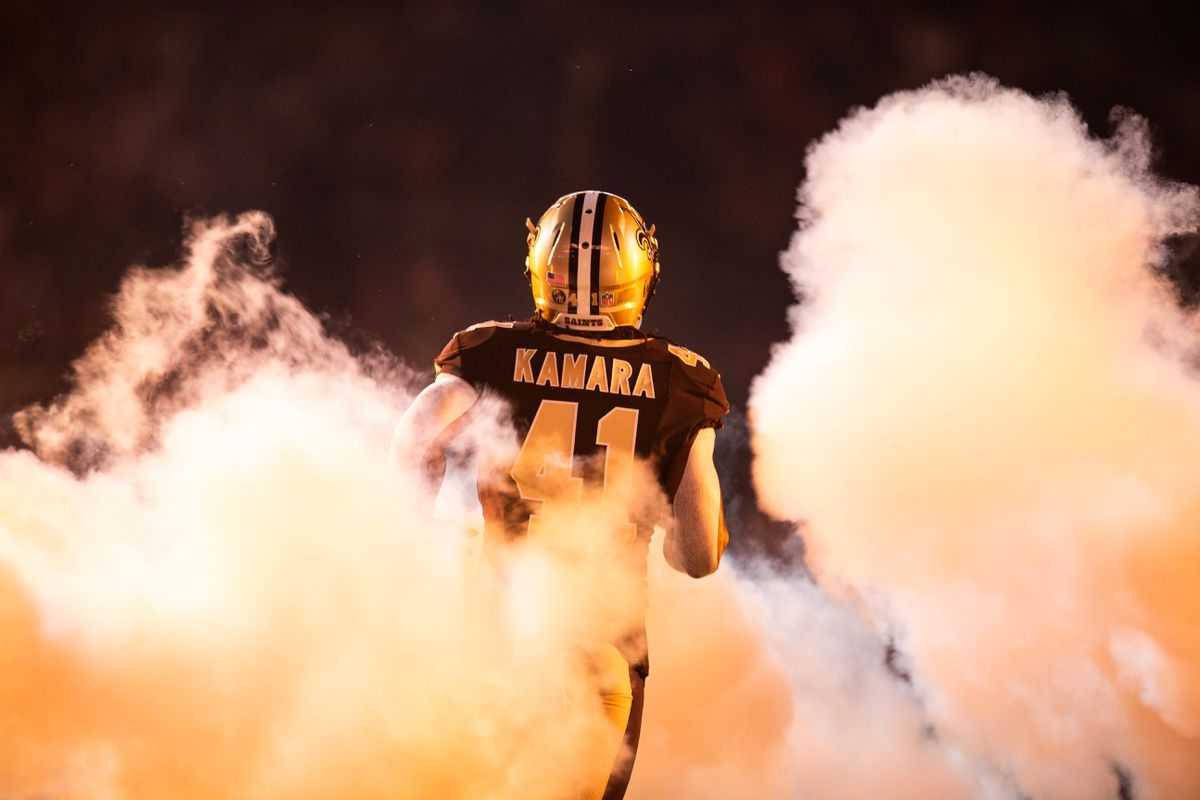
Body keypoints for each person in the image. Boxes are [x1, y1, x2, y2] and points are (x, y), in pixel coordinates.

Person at [392, 190, 729, 799]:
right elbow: (700, 555)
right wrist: (671, 541)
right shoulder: (682, 379)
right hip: (605, 645)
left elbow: (415, 438)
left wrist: (417, 530)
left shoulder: (491, 349)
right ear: (639, 273)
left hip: (498, 630)